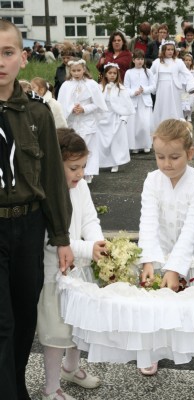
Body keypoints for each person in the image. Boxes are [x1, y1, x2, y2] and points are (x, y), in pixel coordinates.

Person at [0, 19, 73, 400]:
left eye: (7, 52)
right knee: (3, 323)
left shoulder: (38, 115)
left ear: (23, 58)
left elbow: (52, 181)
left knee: (25, 318)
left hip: (28, 227)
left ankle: (14, 384)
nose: (0, 62)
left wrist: (61, 236)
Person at [138, 118, 194, 400]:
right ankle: (152, 351)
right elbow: (147, 222)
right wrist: (150, 260)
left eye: (174, 157)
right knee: (154, 305)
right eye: (160, 156)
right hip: (161, 251)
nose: (166, 163)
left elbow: (191, 230)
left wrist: (177, 268)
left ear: (190, 153)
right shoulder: (152, 180)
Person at [37, 127, 105, 400]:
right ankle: (51, 386)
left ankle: (71, 367)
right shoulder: (44, 192)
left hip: (79, 266)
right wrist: (88, 247)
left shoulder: (82, 186)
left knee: (79, 322)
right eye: (73, 167)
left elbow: (89, 219)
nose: (79, 174)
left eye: (83, 167)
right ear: (55, 164)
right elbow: (50, 240)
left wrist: (99, 243)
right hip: (53, 270)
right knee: (56, 329)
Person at [58, 58, 107, 184]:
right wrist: (71, 108)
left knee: (89, 147)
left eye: (78, 70)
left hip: (87, 121)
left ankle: (88, 173)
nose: (76, 73)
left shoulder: (91, 84)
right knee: (75, 147)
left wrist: (84, 108)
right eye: (73, 71)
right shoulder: (66, 85)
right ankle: (73, 172)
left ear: (84, 69)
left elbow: (98, 104)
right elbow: (62, 105)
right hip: (73, 121)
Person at [150, 40, 194, 129]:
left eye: (172, 49)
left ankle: (175, 127)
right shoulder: (157, 62)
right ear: (163, 50)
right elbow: (150, 74)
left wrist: (191, 85)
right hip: (161, 89)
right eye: (168, 49)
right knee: (162, 107)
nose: (170, 51)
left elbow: (187, 73)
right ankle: (161, 127)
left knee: (174, 107)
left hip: (174, 88)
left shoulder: (178, 62)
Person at [97, 62, 135, 173]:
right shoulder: (99, 87)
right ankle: (101, 162)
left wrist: (124, 118)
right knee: (102, 142)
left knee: (115, 141)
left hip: (115, 118)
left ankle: (115, 162)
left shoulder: (121, 89)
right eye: (110, 73)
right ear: (105, 74)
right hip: (103, 118)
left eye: (114, 73)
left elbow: (127, 105)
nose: (112, 75)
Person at [124, 49, 155, 153]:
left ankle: (146, 144)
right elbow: (126, 88)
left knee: (145, 123)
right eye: (137, 59)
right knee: (135, 124)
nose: (140, 61)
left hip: (145, 101)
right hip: (134, 102)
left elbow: (153, 87)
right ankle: (135, 146)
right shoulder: (129, 72)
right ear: (133, 60)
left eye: (142, 59)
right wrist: (133, 92)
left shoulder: (148, 71)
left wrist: (144, 90)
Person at [181, 53, 194, 122]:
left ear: (191, 62)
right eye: (186, 60)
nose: (188, 62)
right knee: (184, 103)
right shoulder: (182, 70)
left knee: (191, 103)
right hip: (184, 89)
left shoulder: (193, 70)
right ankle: (183, 115)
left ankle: (189, 115)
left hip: (191, 89)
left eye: (189, 60)